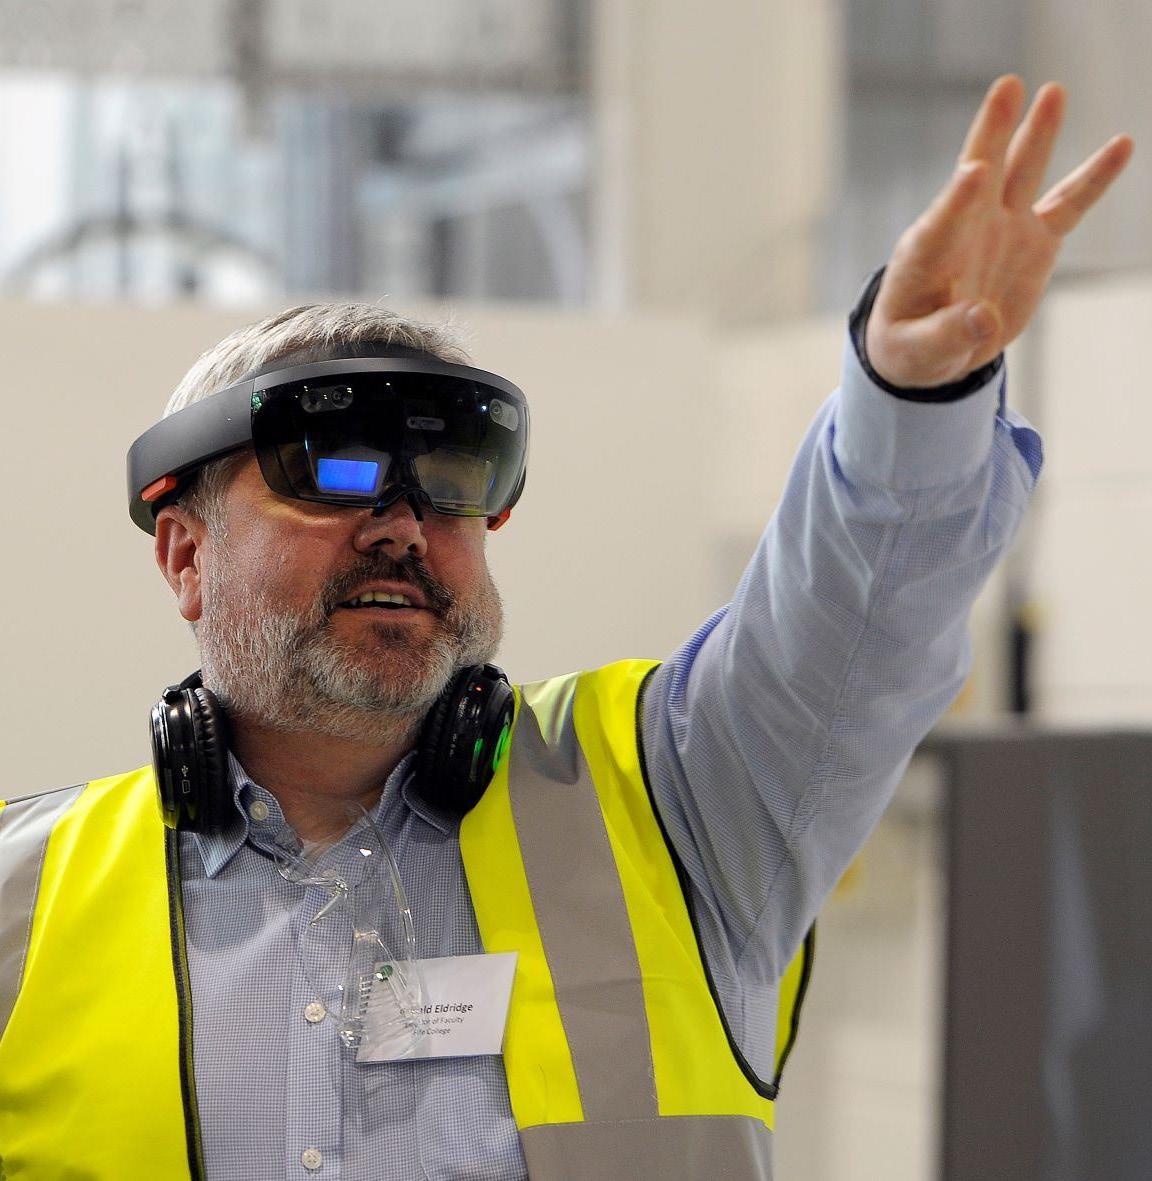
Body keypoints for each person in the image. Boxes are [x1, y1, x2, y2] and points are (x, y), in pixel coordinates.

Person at [0, 76, 1133, 1180]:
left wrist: (914, 401)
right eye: (332, 471)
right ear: (184, 553)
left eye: (451, 482)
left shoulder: (686, 806)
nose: (402, 524)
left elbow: (854, 619)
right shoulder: (19, 903)